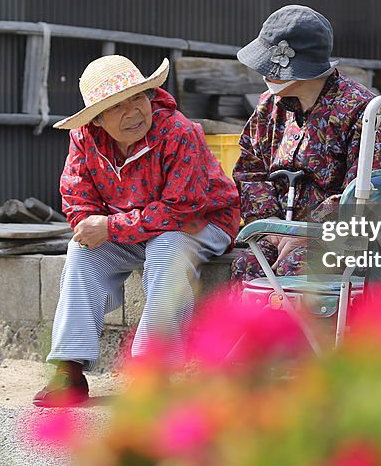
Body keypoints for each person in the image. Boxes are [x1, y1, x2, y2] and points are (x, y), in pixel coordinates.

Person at [33, 55, 240, 407]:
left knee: (167, 247)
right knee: (82, 252)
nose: (133, 112)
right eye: (117, 107)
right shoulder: (85, 138)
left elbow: (182, 207)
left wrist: (111, 226)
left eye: (138, 98)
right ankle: (68, 368)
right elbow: (76, 193)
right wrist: (88, 224)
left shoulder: (179, 131)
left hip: (201, 222)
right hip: (133, 230)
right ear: (97, 119)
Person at [229, 5, 381, 282]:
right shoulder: (270, 106)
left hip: (348, 241)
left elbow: (370, 196)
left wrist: (309, 232)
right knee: (247, 266)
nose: (264, 74)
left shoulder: (364, 113)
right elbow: (250, 169)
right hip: (280, 231)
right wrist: (272, 226)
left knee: (300, 269)